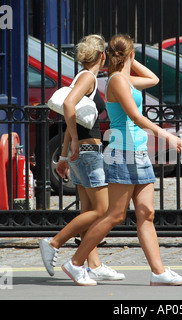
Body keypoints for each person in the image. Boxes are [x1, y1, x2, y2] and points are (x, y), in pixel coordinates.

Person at [61, 34, 182, 286]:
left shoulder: (125, 78)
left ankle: (158, 272)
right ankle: (75, 263)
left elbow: (154, 79)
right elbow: (135, 115)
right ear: (128, 53)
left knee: (146, 213)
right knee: (115, 215)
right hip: (122, 154)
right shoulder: (117, 81)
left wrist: (131, 58)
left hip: (138, 153)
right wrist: (166, 134)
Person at [39, 34, 125, 286]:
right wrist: (76, 142)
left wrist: (65, 154)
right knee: (103, 210)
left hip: (81, 154)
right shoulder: (88, 77)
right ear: (102, 56)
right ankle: (53, 242)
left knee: (88, 211)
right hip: (88, 153)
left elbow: (70, 120)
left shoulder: (83, 77)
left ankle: (94, 265)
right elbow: (68, 104)